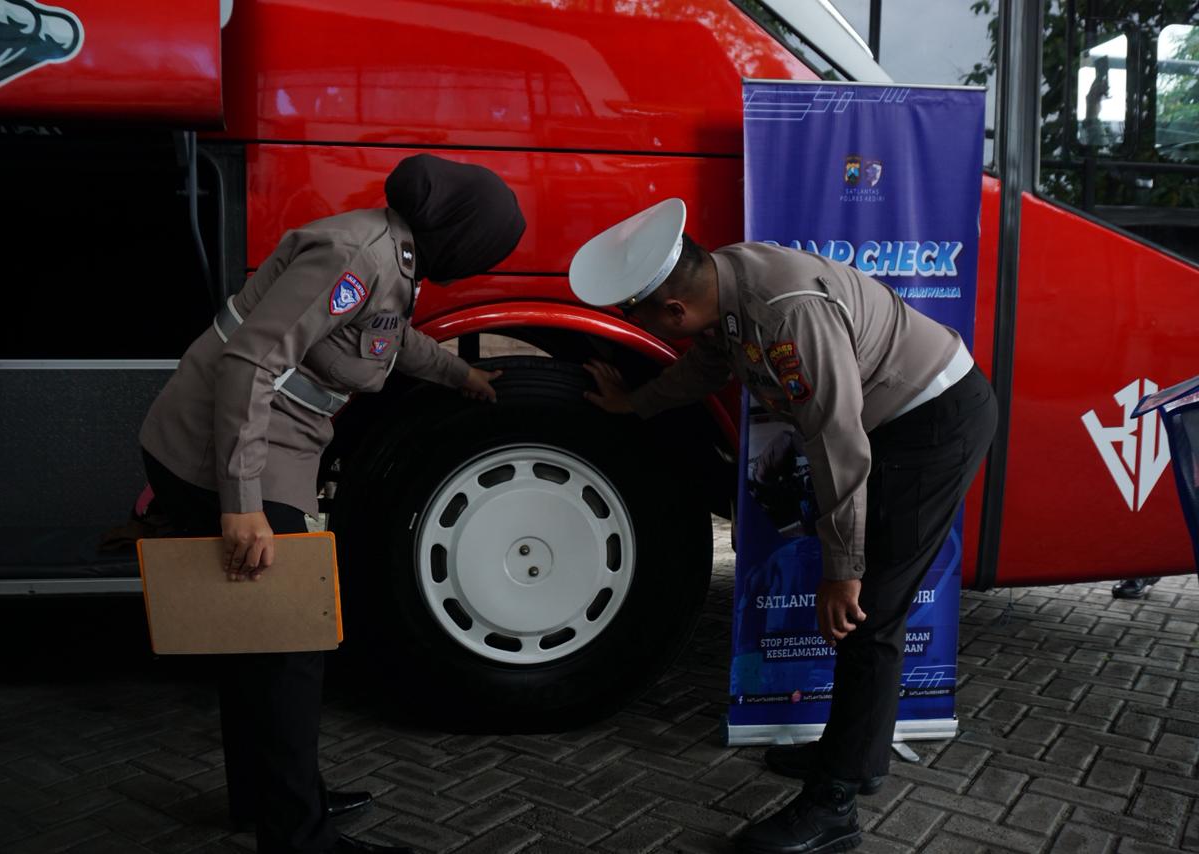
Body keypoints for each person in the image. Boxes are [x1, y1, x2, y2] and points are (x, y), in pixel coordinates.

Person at [570, 198, 997, 854]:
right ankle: (859, 756)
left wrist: (842, 569)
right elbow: (708, 365)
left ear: (676, 310)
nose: (651, 330)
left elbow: (837, 442)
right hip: (897, 422)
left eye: (645, 317)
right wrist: (637, 403)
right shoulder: (727, 282)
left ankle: (834, 810)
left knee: (868, 616)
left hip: (935, 422)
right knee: (868, 613)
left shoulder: (784, 314)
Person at [138, 154, 526, 854]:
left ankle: (270, 800)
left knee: (254, 638)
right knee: (290, 644)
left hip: (264, 445)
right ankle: (298, 835)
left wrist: (460, 373)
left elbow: (382, 339)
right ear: (462, 238)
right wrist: (242, 502)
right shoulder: (358, 257)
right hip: (220, 454)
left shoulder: (392, 255)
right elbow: (251, 361)